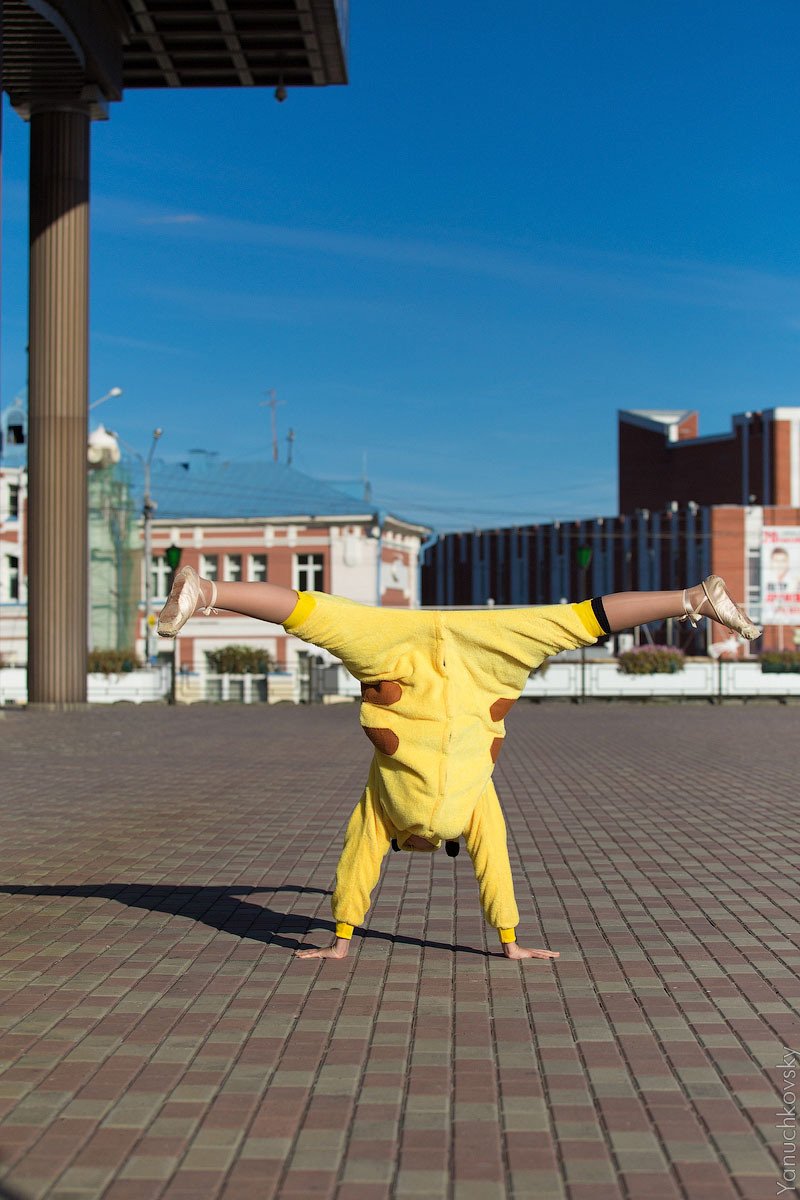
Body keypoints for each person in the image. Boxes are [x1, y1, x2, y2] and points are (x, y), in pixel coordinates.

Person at [158, 569, 760, 962]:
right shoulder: (467, 805)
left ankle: (204, 591)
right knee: (317, 614)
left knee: (317, 615)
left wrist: (342, 940)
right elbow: (478, 863)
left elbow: (361, 862)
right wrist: (509, 940)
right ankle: (692, 598)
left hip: (411, 652)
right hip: (475, 658)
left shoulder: (386, 807)